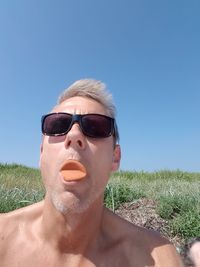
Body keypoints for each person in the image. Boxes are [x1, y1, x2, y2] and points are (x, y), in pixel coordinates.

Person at [0, 79, 183, 266]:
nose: (74, 135)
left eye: (96, 127)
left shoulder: (157, 258)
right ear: (41, 154)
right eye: (57, 125)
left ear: (115, 157)